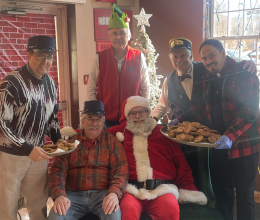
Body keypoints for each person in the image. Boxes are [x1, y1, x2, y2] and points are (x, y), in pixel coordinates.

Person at [172, 39, 260, 220]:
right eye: (204, 58)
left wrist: (230, 136)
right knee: (222, 192)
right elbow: (202, 108)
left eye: (212, 55)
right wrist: (178, 120)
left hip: (244, 146)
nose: (208, 61)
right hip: (218, 145)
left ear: (223, 52)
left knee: (245, 195)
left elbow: (249, 112)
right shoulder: (207, 78)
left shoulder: (245, 74)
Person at [107, 96, 211, 220]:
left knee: (170, 211)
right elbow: (93, 132)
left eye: (142, 111)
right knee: (128, 212)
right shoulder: (117, 134)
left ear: (148, 113)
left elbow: (181, 165)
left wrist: (188, 188)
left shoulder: (164, 133)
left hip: (162, 190)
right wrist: (77, 134)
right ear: (127, 116)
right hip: (131, 191)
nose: (138, 116)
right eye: (133, 113)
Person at [0, 35, 63, 220]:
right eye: (40, 55)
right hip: (11, 156)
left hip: (38, 156)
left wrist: (58, 140)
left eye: (49, 57)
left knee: (39, 206)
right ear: (29, 54)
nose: (46, 61)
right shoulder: (11, 82)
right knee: (7, 207)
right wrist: (27, 149)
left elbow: (51, 118)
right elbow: (1, 123)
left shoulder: (51, 84)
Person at [48, 100, 128, 220]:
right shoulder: (69, 143)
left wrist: (114, 193)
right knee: (56, 216)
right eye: (90, 119)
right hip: (73, 196)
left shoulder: (112, 142)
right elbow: (57, 170)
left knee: (113, 216)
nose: (95, 123)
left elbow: (121, 170)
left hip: (103, 194)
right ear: (83, 121)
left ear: (103, 122)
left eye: (99, 119)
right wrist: (59, 195)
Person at [152, 37, 256, 122]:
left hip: (208, 130)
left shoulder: (208, 70)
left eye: (183, 56)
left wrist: (246, 65)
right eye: (175, 57)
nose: (179, 60)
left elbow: (248, 111)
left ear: (191, 56)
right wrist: (155, 119)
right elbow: (163, 105)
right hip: (180, 128)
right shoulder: (168, 80)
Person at [87, 4, 150, 127]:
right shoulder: (100, 58)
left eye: (122, 33)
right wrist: (96, 114)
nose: (118, 37)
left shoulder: (138, 57)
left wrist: (143, 112)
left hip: (132, 118)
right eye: (115, 33)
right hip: (105, 119)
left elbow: (145, 87)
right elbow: (91, 88)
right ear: (109, 36)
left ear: (129, 35)